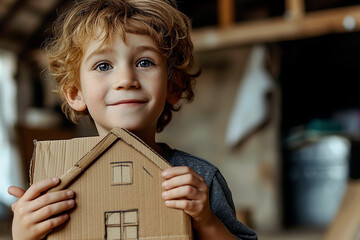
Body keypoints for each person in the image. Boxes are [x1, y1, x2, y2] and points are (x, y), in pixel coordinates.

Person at [8, 0, 258, 239]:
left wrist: (206, 220)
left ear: (173, 86)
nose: (126, 80)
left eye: (145, 62)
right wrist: (24, 233)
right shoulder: (56, 183)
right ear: (76, 93)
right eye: (104, 66)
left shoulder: (198, 179)